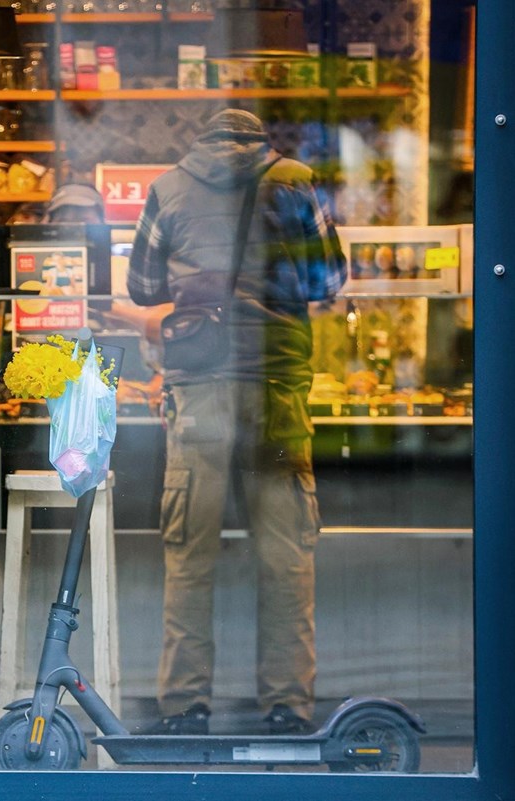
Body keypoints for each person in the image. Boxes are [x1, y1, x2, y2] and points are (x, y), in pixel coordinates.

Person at [127, 109, 346, 735]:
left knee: (189, 554)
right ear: (260, 141)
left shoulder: (168, 186)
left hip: (198, 393)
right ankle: (286, 707)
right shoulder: (297, 181)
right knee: (286, 555)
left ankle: (184, 709)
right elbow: (328, 278)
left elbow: (142, 287)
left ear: (202, 139)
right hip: (277, 390)